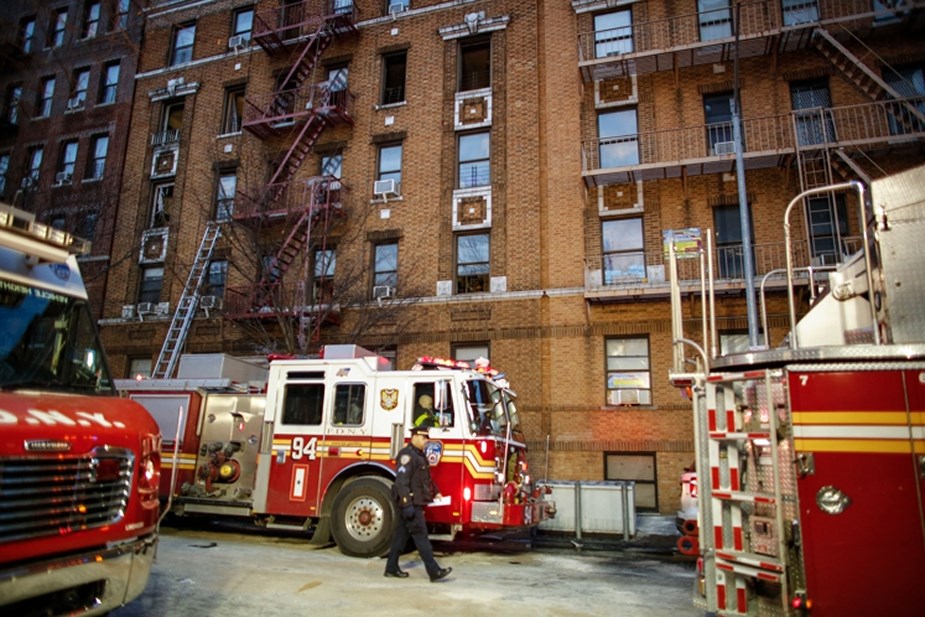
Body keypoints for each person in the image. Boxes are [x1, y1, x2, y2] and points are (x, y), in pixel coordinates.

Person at [384, 425, 452, 582]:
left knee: (400, 536)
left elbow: (425, 478)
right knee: (421, 537)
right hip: (411, 503)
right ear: (414, 437)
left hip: (414, 502)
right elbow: (402, 483)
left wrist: (436, 491)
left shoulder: (419, 456)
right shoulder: (407, 456)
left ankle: (391, 568)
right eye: (423, 438)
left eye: (427, 438)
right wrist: (407, 504)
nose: (426, 441)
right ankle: (433, 571)